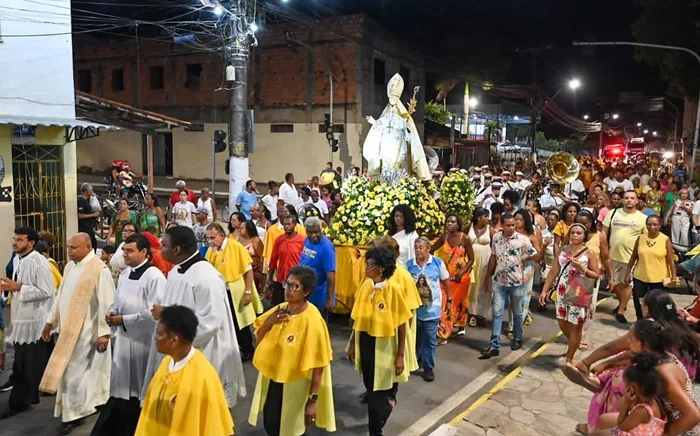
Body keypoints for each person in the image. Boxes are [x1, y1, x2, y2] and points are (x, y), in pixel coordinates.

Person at [143, 227, 247, 409]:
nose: (160, 247)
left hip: (203, 351)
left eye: (164, 244)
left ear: (177, 250)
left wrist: (167, 315)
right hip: (176, 347)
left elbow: (210, 322)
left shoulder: (207, 277)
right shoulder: (176, 272)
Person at [40, 233, 115, 434]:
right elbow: (60, 295)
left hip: (87, 332)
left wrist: (104, 333)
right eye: (68, 247)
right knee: (74, 372)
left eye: (73, 247)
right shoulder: (70, 266)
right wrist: (50, 321)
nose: (69, 251)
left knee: (76, 372)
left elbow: (107, 303)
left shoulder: (99, 270)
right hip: (67, 329)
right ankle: (80, 407)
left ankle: (77, 412)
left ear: (88, 246)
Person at [248, 266, 336, 435]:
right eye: (286, 284)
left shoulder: (313, 321)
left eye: (294, 286)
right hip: (274, 379)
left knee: (291, 429)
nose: (288, 290)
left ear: (307, 291)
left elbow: (319, 365)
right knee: (271, 424)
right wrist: (269, 322)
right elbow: (259, 343)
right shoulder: (281, 309)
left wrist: (312, 400)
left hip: (297, 386)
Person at [91, 234, 165, 435]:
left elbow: (155, 313)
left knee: (141, 387)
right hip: (124, 340)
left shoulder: (155, 277)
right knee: (123, 387)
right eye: (124, 250)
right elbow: (117, 300)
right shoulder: (124, 275)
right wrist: (113, 311)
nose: (125, 254)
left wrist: (124, 319)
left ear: (144, 252)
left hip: (144, 342)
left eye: (130, 251)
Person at [135, 306, 234, 436]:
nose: (155, 338)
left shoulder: (202, 376)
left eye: (159, 334)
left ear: (174, 340)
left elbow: (210, 426)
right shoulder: (167, 363)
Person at [348, 246, 412, 436]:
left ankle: (375, 431)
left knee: (376, 397)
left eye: (371, 265)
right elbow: (357, 319)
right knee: (370, 386)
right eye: (367, 264)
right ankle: (387, 403)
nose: (367, 268)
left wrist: (400, 355)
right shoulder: (366, 286)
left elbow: (402, 324)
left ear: (382, 268)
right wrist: (352, 343)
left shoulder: (394, 289)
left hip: (385, 345)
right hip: (366, 342)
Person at [0, 228, 55, 419]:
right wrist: (8, 288)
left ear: (31, 243)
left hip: (34, 321)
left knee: (28, 364)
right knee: (21, 363)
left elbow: (48, 291)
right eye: (14, 239)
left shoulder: (39, 262)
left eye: (20, 240)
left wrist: (19, 287)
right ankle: (20, 399)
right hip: (21, 317)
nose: (15, 243)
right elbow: (16, 285)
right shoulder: (19, 260)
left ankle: (22, 401)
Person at [540, 223, 599, 364]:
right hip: (562, 289)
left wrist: (581, 268)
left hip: (578, 290)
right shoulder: (563, 249)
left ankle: (570, 358)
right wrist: (544, 290)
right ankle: (574, 341)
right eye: (572, 233)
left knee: (577, 324)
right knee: (562, 321)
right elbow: (554, 270)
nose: (575, 235)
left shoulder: (588, 253)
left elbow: (596, 275)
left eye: (579, 233)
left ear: (584, 236)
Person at [204, 222, 263, 362]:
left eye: (213, 238)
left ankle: (247, 349)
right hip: (220, 292)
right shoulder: (211, 250)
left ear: (222, 235)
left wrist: (248, 291)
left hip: (236, 291)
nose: (210, 241)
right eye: (208, 238)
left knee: (239, 324)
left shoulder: (235, 246)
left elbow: (248, 270)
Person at [481, 214, 537, 359]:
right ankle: (494, 345)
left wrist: (523, 257)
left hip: (516, 282)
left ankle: (517, 338)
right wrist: (489, 276)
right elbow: (493, 256)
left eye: (513, 225)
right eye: (508, 225)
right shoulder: (496, 238)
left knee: (517, 313)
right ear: (502, 225)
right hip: (499, 282)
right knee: (497, 312)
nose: (512, 228)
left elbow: (535, 254)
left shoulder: (523, 240)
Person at [362, 72, 431, 182]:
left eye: (394, 97)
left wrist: (408, 127)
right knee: (386, 166)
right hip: (386, 146)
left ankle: (399, 186)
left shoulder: (403, 116)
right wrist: (374, 122)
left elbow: (409, 133)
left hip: (399, 145)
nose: (392, 99)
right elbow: (380, 126)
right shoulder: (385, 114)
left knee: (399, 167)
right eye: (390, 97)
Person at [586, 352, 667, 436]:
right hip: (634, 431)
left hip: (627, 431)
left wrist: (626, 402)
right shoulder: (651, 400)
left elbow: (621, 426)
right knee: (599, 428)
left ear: (631, 388)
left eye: (625, 384)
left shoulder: (641, 411)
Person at [406, 237, 451, 381]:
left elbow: (445, 281)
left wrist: (449, 299)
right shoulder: (409, 265)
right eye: (416, 247)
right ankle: (416, 359)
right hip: (415, 310)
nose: (418, 250)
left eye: (421, 247)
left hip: (432, 310)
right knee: (416, 338)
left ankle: (428, 367)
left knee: (430, 340)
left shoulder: (437, 263)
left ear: (428, 248)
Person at [602, 190, 647, 324]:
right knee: (613, 283)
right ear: (622, 200)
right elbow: (604, 232)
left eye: (632, 198)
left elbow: (644, 239)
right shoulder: (613, 213)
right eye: (626, 198)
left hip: (630, 258)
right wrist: (603, 250)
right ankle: (623, 302)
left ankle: (621, 310)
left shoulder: (642, 218)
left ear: (637, 201)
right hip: (612, 256)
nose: (629, 200)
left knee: (627, 284)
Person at [624, 215, 676, 321]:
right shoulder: (641, 238)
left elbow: (670, 260)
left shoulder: (665, 239)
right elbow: (634, 257)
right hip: (640, 275)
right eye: (649, 224)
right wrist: (627, 273)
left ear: (660, 226)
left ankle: (655, 321)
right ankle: (640, 320)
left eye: (655, 224)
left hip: (659, 277)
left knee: (657, 301)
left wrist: (673, 277)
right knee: (639, 299)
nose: (652, 227)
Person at [430, 215, 473, 340]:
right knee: (446, 302)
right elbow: (431, 249)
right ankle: (445, 331)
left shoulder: (464, 238)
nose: (450, 224)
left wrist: (462, 273)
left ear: (458, 224)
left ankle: (460, 325)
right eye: (448, 222)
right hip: (447, 275)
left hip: (461, 276)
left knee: (460, 302)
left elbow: (471, 259)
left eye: (452, 222)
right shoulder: (444, 237)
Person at [575, 210, 613, 351]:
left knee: (589, 309)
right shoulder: (573, 234)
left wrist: (611, 276)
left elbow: (606, 257)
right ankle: (574, 336)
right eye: (579, 223)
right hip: (573, 278)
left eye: (585, 223)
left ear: (591, 223)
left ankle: (584, 338)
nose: (582, 226)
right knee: (573, 309)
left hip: (592, 277)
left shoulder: (599, 236)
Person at [298, 217, 336, 315]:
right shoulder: (307, 241)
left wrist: (330, 299)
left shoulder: (326, 247)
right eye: (310, 232)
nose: (313, 235)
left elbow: (331, 275)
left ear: (321, 230)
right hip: (306, 292)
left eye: (316, 232)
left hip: (319, 295)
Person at [267, 215, 306, 306]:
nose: (287, 227)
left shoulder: (303, 241)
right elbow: (273, 260)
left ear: (295, 224)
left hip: (296, 280)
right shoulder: (279, 240)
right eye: (285, 224)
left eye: (289, 224)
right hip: (281, 280)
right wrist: (269, 279)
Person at [466, 208, 495, 326]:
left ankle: (481, 313)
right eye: (485, 216)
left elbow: (496, 245)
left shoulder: (490, 229)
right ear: (479, 217)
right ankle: (471, 313)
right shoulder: (469, 227)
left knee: (483, 285)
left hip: (485, 260)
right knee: (472, 286)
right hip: (471, 260)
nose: (488, 219)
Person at [237, 220, 265, 293]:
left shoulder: (256, 240)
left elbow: (262, 256)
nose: (239, 230)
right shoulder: (239, 239)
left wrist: (260, 273)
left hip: (254, 272)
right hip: (241, 270)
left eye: (242, 228)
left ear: (248, 229)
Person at [77, 183, 100, 252]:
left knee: (93, 243)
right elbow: (80, 215)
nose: (92, 192)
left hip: (90, 226)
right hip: (84, 227)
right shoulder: (81, 201)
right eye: (91, 191)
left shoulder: (89, 200)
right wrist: (93, 215)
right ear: (87, 191)